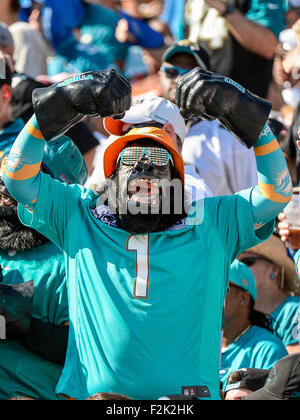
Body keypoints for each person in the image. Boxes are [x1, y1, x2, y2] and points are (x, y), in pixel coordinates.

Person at [2, 67, 292, 400]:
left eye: (155, 156)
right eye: (128, 155)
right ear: (112, 172)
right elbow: (17, 178)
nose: (142, 167)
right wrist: (57, 106)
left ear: (177, 174)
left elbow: (276, 194)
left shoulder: (212, 222)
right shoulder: (80, 214)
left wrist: (249, 119)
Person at [0, 135, 88, 400]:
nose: (6, 184)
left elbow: (91, 350)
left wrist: (26, 326)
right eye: (7, 169)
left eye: (29, 176)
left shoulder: (74, 260)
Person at [158, 39, 258, 196]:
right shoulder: (140, 123)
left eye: (190, 74)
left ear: (209, 80)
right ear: (159, 74)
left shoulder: (229, 135)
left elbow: (252, 198)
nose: (178, 79)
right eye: (171, 72)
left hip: (210, 219)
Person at [87, 96, 213, 203]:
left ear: (168, 132)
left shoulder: (192, 190)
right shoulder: (123, 172)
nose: (125, 140)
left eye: (134, 130)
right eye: (123, 133)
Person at [185, 0, 285, 99]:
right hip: (194, 98)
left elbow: (269, 46)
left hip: (239, 104)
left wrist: (225, 9)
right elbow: (182, 42)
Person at [220, 260, 288, 389]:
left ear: (244, 299)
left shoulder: (269, 350)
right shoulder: (196, 344)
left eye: (221, 287)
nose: (211, 295)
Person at [239, 234, 300, 354]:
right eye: (235, 263)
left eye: (247, 262)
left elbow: (295, 364)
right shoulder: (238, 315)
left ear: (274, 270)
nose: (238, 268)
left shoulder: (295, 309)